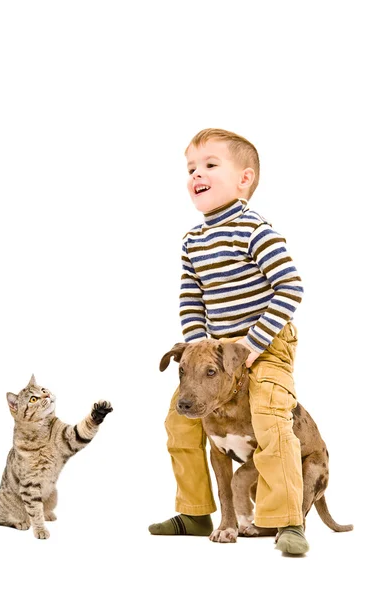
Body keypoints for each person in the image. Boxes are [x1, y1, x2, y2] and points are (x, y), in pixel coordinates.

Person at [149, 128, 309, 554]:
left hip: (266, 342)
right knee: (179, 419)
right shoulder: (193, 241)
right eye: (191, 168)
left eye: (209, 165)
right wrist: (198, 348)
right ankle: (196, 510)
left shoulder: (255, 229)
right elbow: (191, 297)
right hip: (215, 351)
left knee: (271, 417)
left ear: (245, 178)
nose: (196, 174)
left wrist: (253, 345)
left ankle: (286, 519)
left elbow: (290, 287)